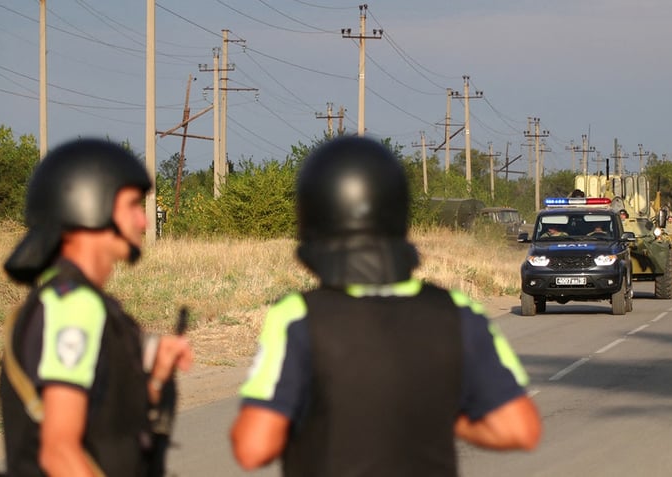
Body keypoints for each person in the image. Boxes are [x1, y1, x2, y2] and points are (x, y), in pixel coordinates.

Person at [230, 136, 542, 476]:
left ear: (311, 218)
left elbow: (253, 448)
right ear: (399, 213)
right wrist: (436, 416)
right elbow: (519, 428)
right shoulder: (458, 312)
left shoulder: (297, 317)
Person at [0, 138, 193, 476]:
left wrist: (156, 376)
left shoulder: (80, 301)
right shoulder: (74, 307)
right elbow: (59, 453)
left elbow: (107, 421)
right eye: (133, 205)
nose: (144, 221)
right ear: (91, 206)